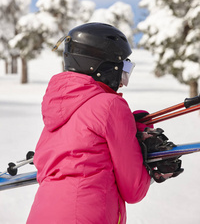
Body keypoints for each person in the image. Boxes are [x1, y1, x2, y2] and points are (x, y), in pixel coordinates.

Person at [27, 23, 181, 224]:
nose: (123, 80)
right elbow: (134, 190)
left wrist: (131, 130)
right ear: (103, 67)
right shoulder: (111, 105)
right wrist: (154, 171)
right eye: (123, 68)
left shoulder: (59, 108)